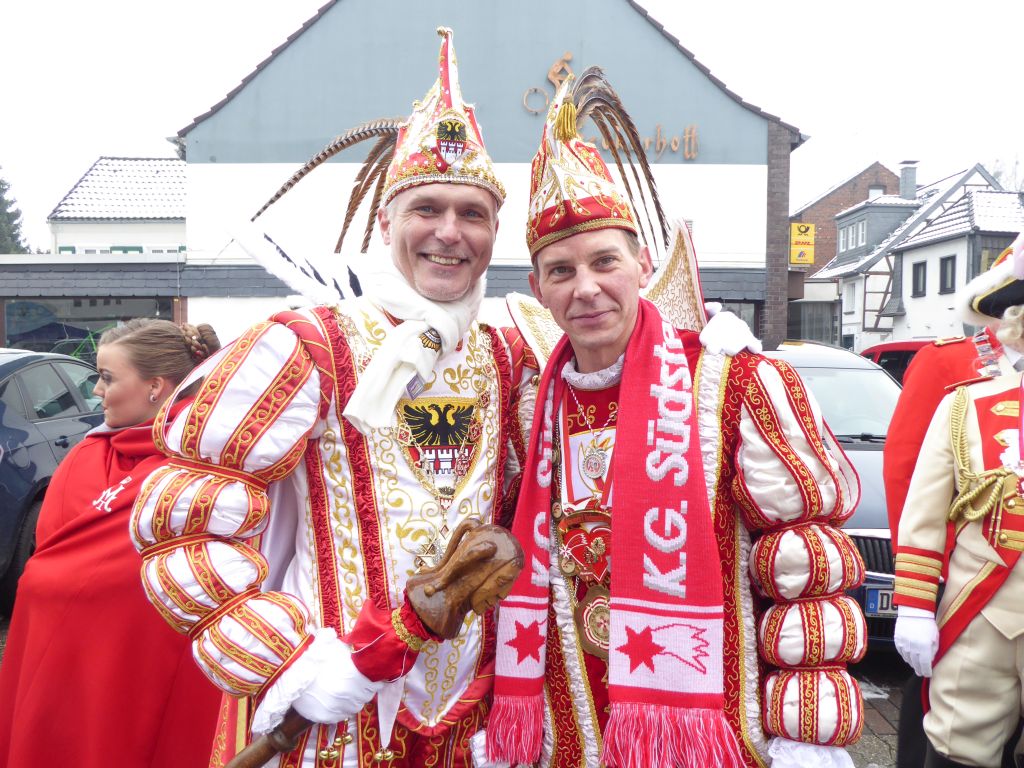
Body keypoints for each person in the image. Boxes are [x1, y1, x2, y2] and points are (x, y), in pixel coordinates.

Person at [129, 29, 537, 768]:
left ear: (493, 233)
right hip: (336, 722)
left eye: (472, 214)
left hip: (471, 723)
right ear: (386, 223)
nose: (449, 233)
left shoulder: (511, 353)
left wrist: (706, 355)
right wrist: (296, 664)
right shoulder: (307, 345)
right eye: (427, 209)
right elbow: (182, 519)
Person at [479, 79, 865, 768]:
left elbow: (805, 566)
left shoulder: (730, 383)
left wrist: (805, 736)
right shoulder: (530, 407)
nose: (586, 288)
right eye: (561, 271)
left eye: (605, 261)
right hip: (567, 746)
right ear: (538, 290)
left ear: (643, 264)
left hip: (704, 741)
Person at [0, 318, 223, 768]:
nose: (96, 391)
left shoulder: (207, 466)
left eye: (106, 377)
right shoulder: (90, 451)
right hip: (67, 663)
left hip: (142, 668)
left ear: (155, 387)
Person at [883, 241, 1019, 768]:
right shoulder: (949, 364)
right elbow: (908, 476)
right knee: (944, 724)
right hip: (967, 578)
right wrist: (921, 590)